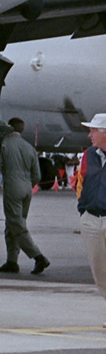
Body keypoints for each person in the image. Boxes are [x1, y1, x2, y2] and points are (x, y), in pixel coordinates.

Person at [0, 117, 49, 274]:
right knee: (13, 225)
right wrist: (28, 185)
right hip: (27, 188)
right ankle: (12, 261)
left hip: (12, 188)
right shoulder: (29, 148)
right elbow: (37, 175)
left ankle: (38, 257)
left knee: (17, 226)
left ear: (8, 128)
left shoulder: (3, 144)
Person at [78, 114, 106, 319]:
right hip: (91, 219)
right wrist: (83, 211)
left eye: (93, 130)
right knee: (99, 272)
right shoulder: (89, 154)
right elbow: (82, 182)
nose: (90, 135)